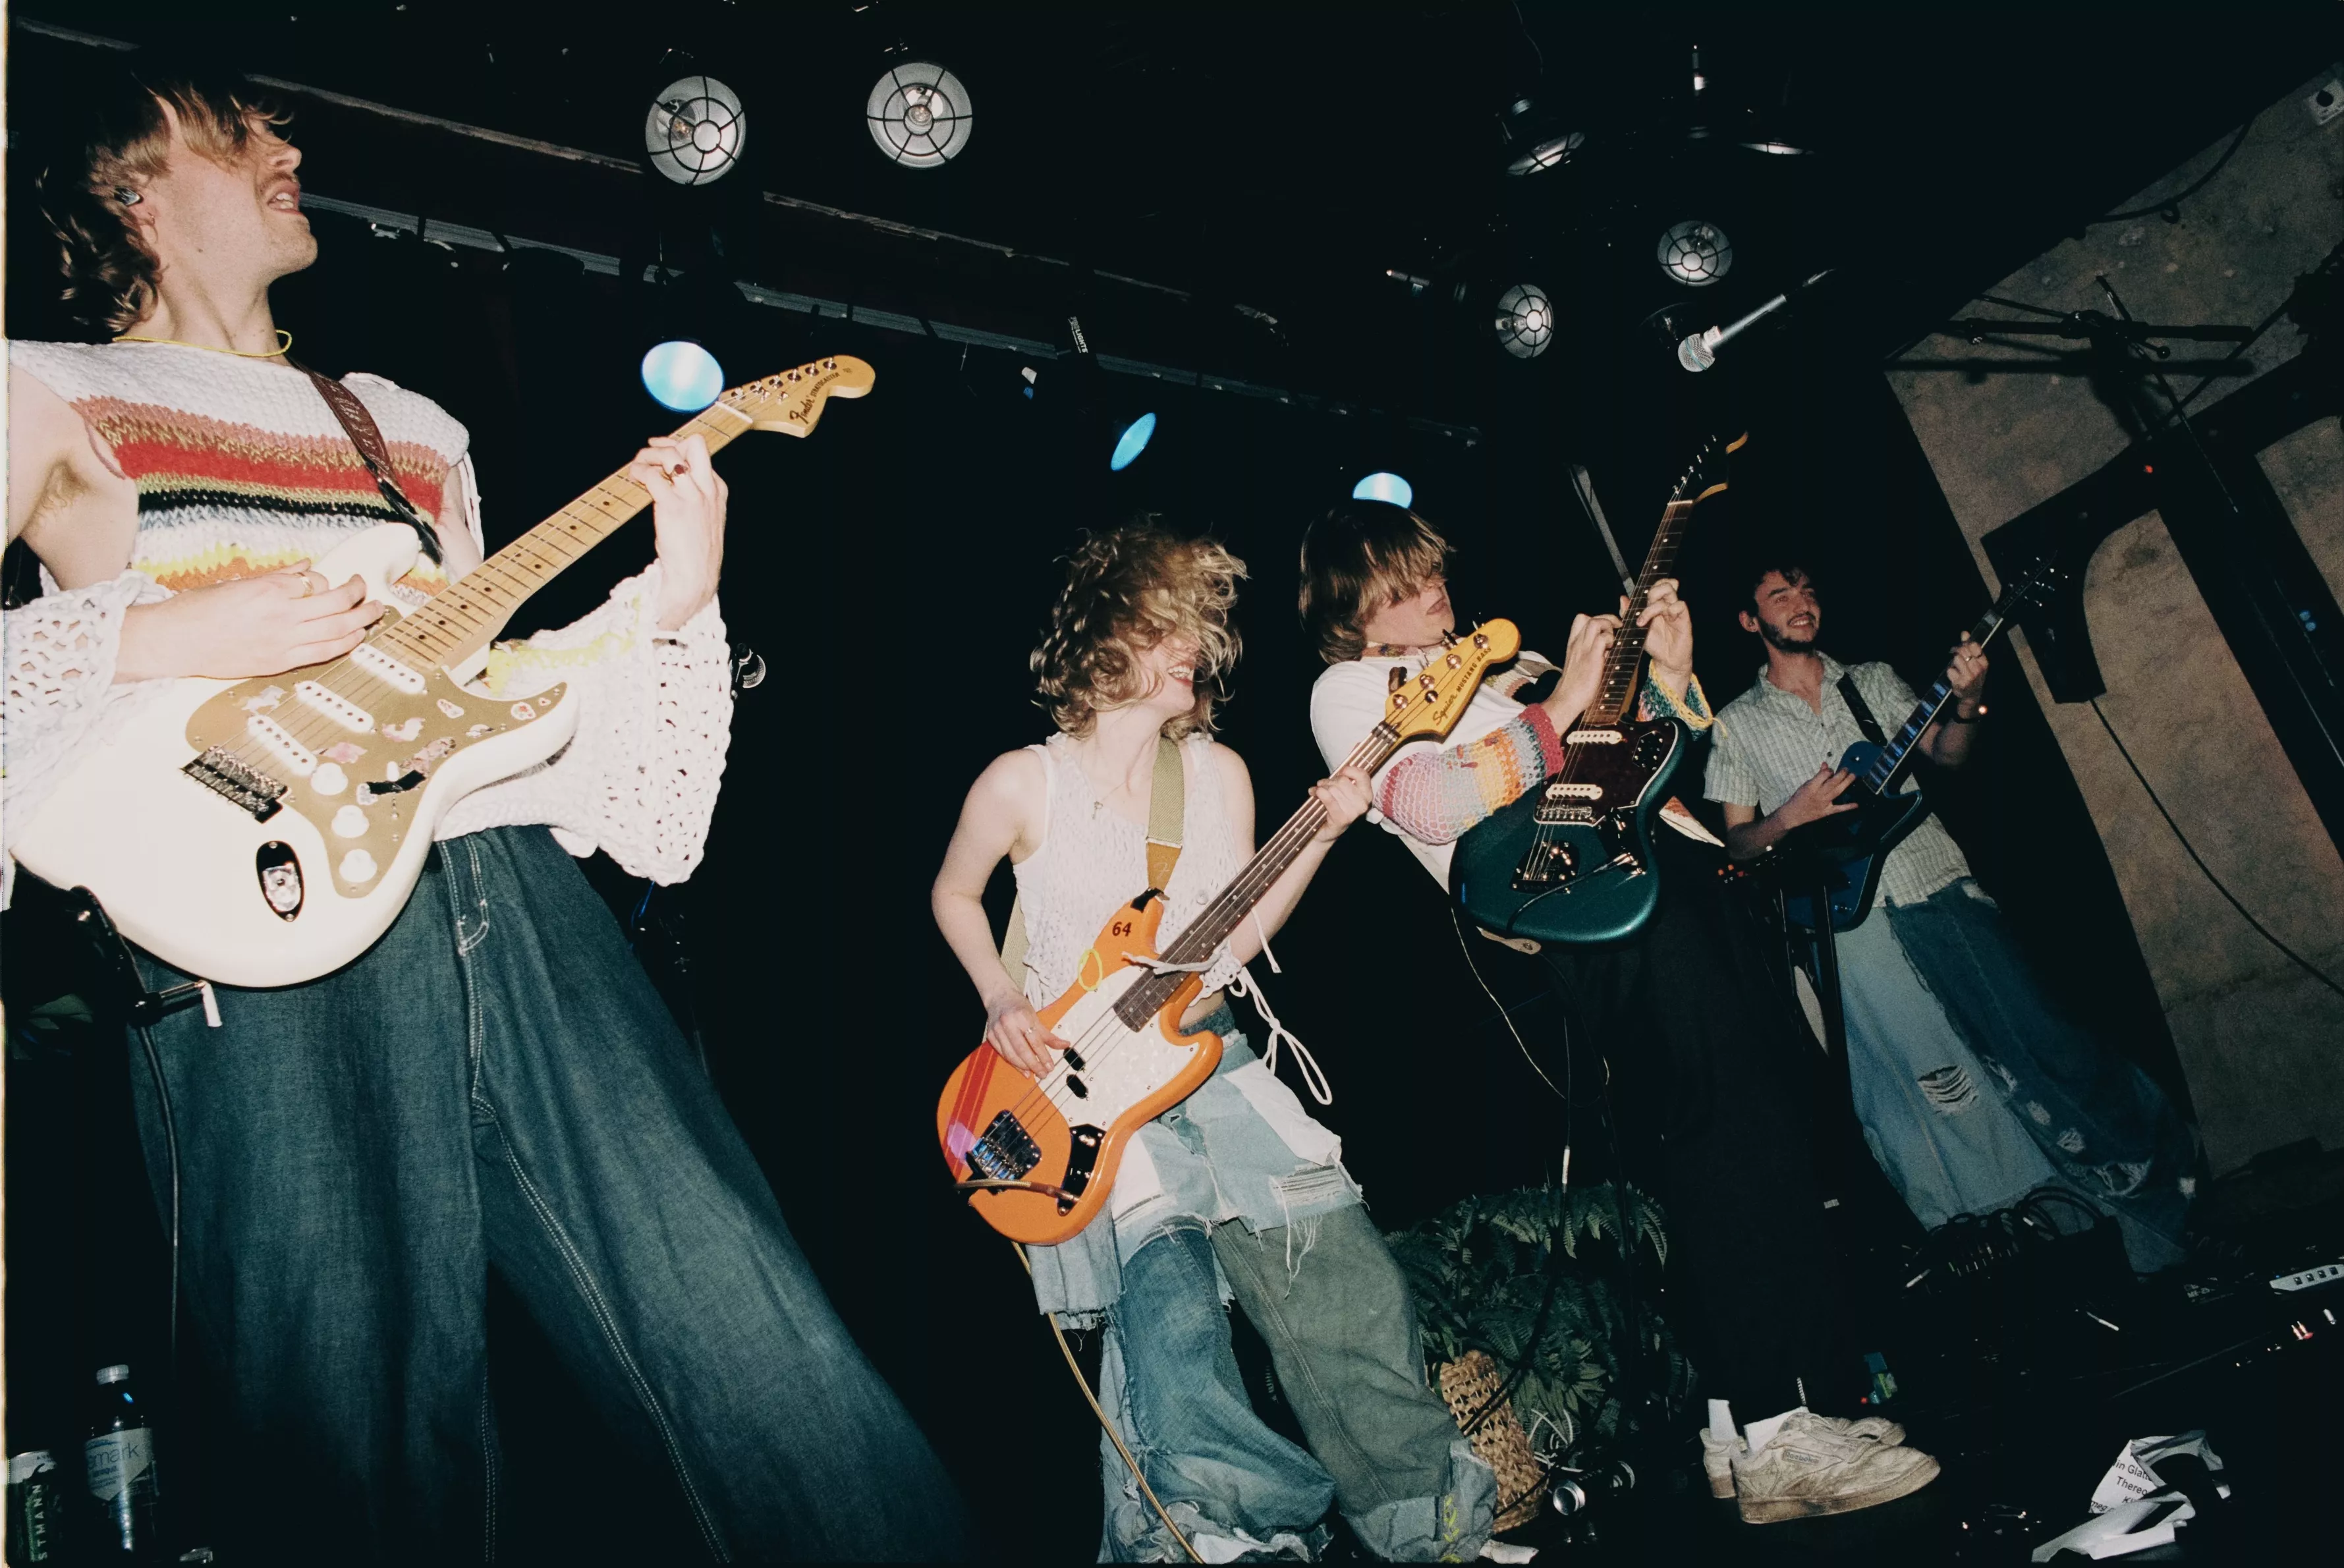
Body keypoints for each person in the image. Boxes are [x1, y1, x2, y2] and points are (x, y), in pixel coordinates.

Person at [4, 60, 968, 1559]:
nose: (285, 141)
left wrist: (664, 611)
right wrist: (162, 632)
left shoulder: (408, 429)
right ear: (133, 189)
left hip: (501, 886)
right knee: (357, 1429)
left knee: (747, 1330)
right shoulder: (47, 386)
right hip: (260, 924)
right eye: (239, 129)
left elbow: (472, 702)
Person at [1301, 501, 1939, 1525]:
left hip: (1675, 878)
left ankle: (1743, 1421)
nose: (1435, 586)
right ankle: (1779, 1432)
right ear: (1354, 601)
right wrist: (1563, 701)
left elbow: (1639, 762)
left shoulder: (1491, 676)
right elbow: (1428, 803)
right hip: (1597, 918)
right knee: (1724, 1137)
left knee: (1757, 1131)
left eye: (1433, 566)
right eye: (1406, 580)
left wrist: (1670, 679)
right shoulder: (1351, 690)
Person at [932, 524, 1505, 1561]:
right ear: (1107, 634)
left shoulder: (1219, 774)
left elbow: (1235, 935)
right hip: (1083, 1085)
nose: (1192, 645)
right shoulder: (1023, 781)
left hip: (1214, 1052)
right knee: (1174, 1312)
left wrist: (1324, 833)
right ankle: (1216, 1529)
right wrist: (997, 998)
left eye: (1199, 626)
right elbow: (953, 893)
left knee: (1345, 1278)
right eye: (1169, 624)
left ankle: (1425, 1521)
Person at [1706, 562, 2198, 1272]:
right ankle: (2009, 1245)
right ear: (1751, 621)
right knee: (1933, 1087)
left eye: (1808, 589)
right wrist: (1791, 815)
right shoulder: (1736, 723)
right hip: (1851, 927)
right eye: (1780, 596)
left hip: (1936, 883)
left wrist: (1968, 702)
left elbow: (1947, 755)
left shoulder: (1872, 680)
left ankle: (2152, 1217)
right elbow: (1737, 844)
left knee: (2040, 1042)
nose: (1801, 603)